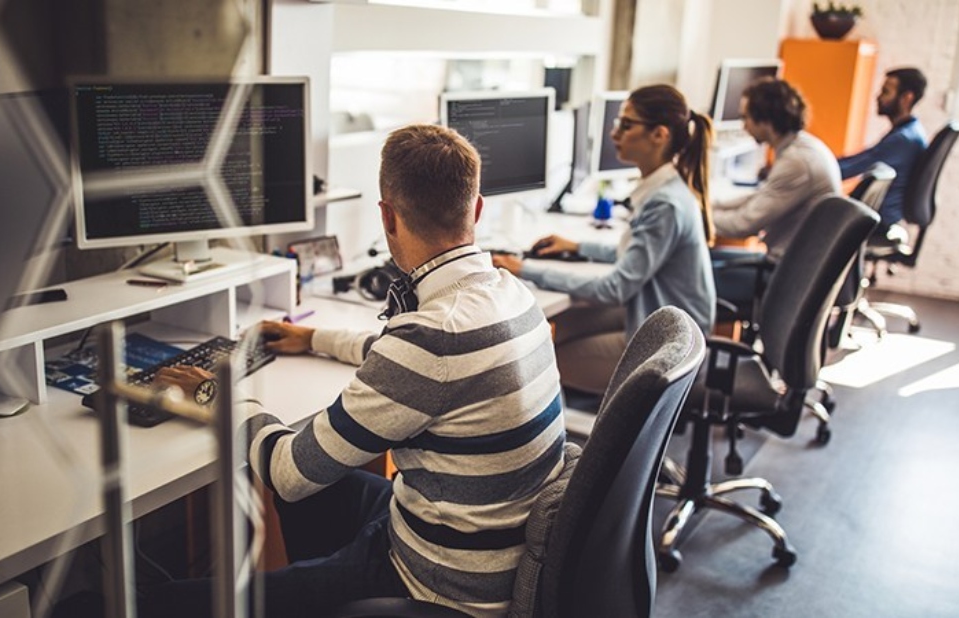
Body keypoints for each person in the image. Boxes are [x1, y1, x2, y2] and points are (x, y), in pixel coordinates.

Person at [140, 124, 566, 618]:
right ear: (476, 209)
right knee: (323, 488)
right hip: (474, 550)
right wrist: (316, 338)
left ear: (387, 217)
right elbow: (434, 371)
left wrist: (216, 392)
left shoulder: (428, 342)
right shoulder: (510, 293)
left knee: (170, 603)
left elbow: (288, 473)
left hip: (437, 584)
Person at [492, 84, 716, 396]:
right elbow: (634, 254)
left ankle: (577, 438)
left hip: (668, 340)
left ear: (659, 135)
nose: (615, 134)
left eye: (626, 125)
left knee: (536, 362)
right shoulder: (665, 189)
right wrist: (578, 247)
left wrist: (525, 268)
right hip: (658, 314)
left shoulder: (664, 204)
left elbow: (616, 287)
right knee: (553, 328)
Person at [710, 78, 841, 310]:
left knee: (682, 275)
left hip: (784, 275)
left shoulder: (796, 162)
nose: (743, 126)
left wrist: (698, 218)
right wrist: (709, 205)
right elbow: (760, 197)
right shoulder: (801, 148)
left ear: (766, 121)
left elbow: (744, 225)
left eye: (746, 118)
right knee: (702, 259)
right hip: (792, 265)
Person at [838, 67, 928, 243]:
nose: (878, 96)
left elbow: (851, 168)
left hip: (877, 219)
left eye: (886, 92)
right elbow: (864, 157)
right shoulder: (911, 132)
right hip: (886, 215)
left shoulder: (903, 140)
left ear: (906, 98)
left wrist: (812, 165)